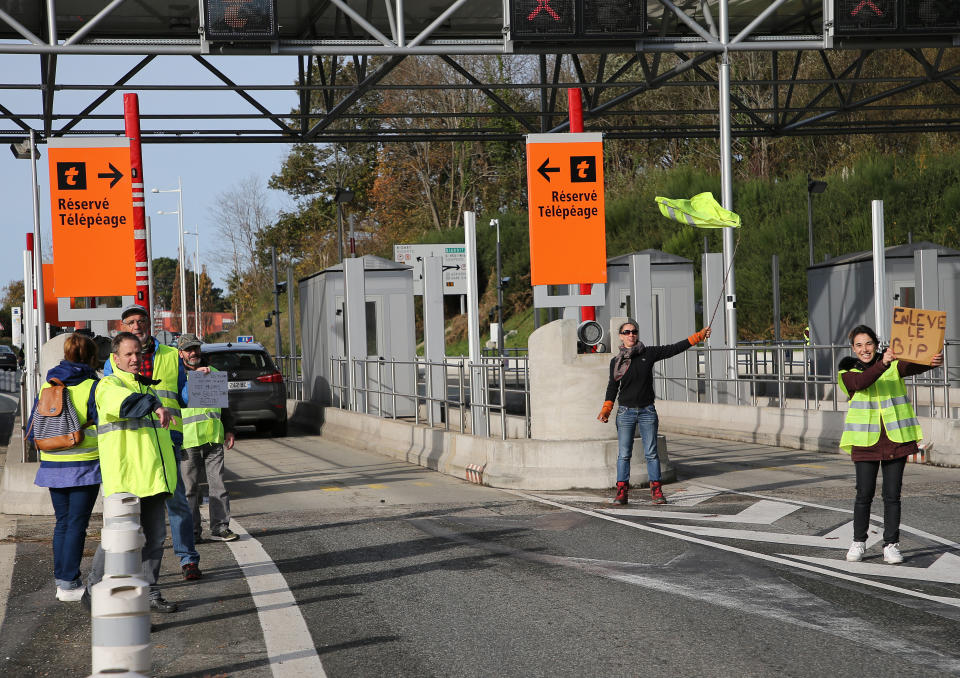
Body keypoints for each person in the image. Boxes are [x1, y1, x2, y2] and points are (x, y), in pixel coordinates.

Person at [106, 304, 202, 581]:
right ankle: (139, 571)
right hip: (134, 444)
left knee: (177, 502)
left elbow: (183, 396)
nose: (137, 325)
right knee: (140, 509)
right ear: (124, 328)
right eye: (130, 322)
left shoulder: (172, 356)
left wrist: (198, 380)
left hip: (167, 439)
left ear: (150, 323)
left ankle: (187, 559)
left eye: (141, 320)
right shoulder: (112, 361)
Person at [88, 332, 179, 612]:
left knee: (154, 540)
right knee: (117, 542)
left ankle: (150, 592)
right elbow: (127, 406)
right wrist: (156, 405)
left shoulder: (146, 388)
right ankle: (93, 590)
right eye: (128, 354)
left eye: (138, 353)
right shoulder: (109, 385)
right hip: (127, 481)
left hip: (152, 478)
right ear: (115, 358)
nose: (135, 358)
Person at [839, 324, 942, 565]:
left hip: (895, 438)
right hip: (865, 441)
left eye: (869, 343)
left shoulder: (893, 361)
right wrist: (882, 363)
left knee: (892, 495)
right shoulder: (846, 369)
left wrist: (932, 361)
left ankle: (891, 545)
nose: (865, 349)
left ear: (876, 343)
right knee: (864, 494)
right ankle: (859, 541)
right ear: (853, 348)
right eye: (859, 345)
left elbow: (912, 365)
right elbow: (860, 383)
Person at [597, 320, 711, 505]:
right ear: (621, 336)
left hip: (647, 411)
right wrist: (606, 408)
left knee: (651, 453)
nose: (631, 335)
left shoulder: (648, 353)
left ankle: (657, 492)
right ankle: (621, 493)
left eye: (634, 331)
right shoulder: (616, 362)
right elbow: (613, 386)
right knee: (624, 454)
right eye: (626, 332)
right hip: (625, 412)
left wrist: (698, 336)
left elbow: (674, 348)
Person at [30, 333, 100, 601]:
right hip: (83, 465)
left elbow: (34, 423)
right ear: (92, 357)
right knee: (76, 525)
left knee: (62, 523)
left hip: (52, 463)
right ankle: (69, 583)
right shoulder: (93, 386)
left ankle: (63, 581)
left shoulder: (49, 385)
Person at [176, 334, 238, 542]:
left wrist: (229, 429)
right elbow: (181, 402)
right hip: (188, 440)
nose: (193, 352)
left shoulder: (215, 373)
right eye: (189, 349)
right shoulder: (178, 376)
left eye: (196, 348)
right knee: (189, 489)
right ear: (181, 353)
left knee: (218, 485)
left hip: (213, 438)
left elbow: (225, 405)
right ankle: (193, 532)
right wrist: (193, 380)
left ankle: (220, 527)